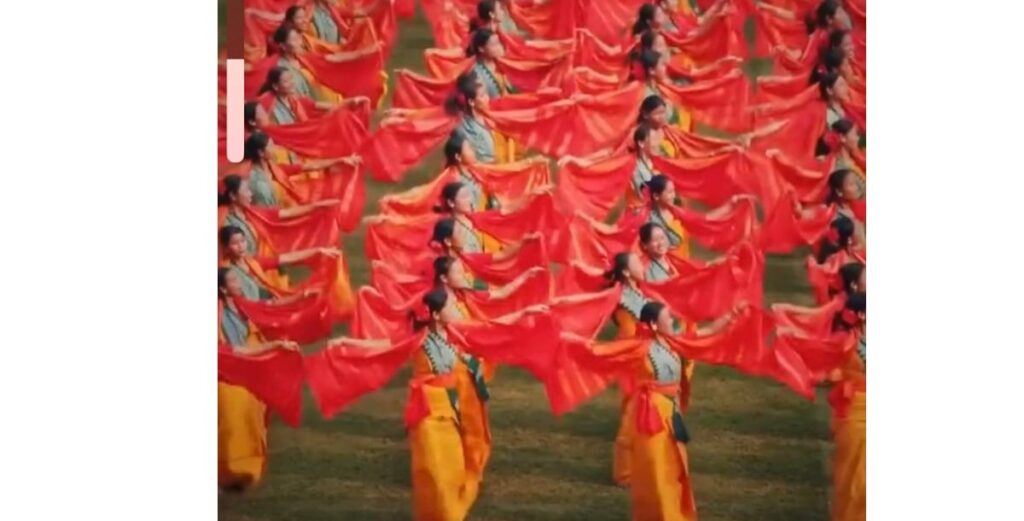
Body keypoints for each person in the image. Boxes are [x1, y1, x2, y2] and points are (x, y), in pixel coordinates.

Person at [323, 289, 549, 521]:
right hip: (427, 412)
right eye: (450, 306)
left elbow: (491, 327)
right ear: (436, 315)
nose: (456, 309)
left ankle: (448, 512)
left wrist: (525, 312)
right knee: (433, 470)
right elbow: (383, 347)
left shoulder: (456, 332)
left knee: (450, 469)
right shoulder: (419, 339)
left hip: (448, 410)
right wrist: (347, 343)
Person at [217, 268, 300, 491]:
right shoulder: (219, 316)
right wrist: (275, 345)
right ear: (223, 289)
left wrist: (302, 296)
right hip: (225, 371)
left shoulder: (241, 305)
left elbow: (268, 305)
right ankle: (230, 469)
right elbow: (233, 351)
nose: (239, 283)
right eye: (233, 281)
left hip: (240, 365)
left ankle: (242, 467)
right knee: (236, 409)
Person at [827, 291, 866, 521]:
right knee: (853, 481)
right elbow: (826, 369)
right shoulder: (847, 342)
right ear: (862, 315)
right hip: (856, 417)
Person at [467, 28, 512, 99]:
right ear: (481, 49)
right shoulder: (476, 71)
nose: (498, 47)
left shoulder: (502, 63)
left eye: (498, 43)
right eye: (494, 45)